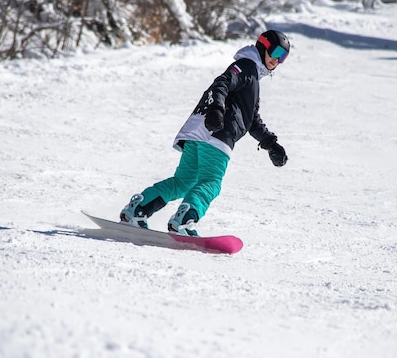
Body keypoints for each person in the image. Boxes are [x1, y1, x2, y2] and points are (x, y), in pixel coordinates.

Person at [120, 30, 290, 236]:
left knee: (184, 181)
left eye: (283, 56)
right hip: (218, 131)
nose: (277, 60)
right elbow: (222, 83)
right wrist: (217, 110)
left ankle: (138, 208)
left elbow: (251, 119)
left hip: (198, 130)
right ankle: (184, 218)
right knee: (211, 181)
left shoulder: (252, 75)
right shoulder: (247, 67)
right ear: (263, 46)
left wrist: (271, 144)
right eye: (276, 52)